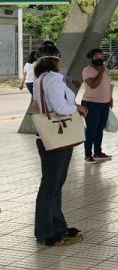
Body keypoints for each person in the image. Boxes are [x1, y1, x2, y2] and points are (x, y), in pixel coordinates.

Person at [32, 43, 87, 246]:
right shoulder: (53, 80)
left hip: (48, 136)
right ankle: (45, 231)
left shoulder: (40, 79)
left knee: (55, 183)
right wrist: (78, 107)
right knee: (51, 185)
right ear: (56, 58)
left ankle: (57, 225)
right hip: (57, 136)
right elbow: (61, 108)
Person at [81, 48, 113, 164]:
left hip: (104, 103)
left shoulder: (105, 69)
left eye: (101, 56)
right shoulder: (87, 70)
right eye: (96, 57)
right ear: (91, 59)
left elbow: (108, 84)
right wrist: (100, 72)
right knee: (91, 129)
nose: (100, 58)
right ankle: (87, 154)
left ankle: (98, 152)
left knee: (100, 128)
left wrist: (110, 98)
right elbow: (93, 85)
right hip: (91, 103)